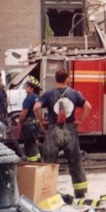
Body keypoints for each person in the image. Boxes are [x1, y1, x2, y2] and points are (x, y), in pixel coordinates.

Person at [33, 68, 90, 199]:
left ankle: (45, 192)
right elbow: (88, 106)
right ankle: (80, 192)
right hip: (70, 130)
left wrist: (41, 121)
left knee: (49, 163)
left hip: (53, 130)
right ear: (67, 79)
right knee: (75, 161)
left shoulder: (48, 94)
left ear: (56, 79)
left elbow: (36, 107)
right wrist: (79, 120)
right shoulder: (74, 94)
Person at [16, 76, 42, 162]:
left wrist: (19, 122)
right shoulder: (37, 98)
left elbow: (24, 112)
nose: (25, 89)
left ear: (31, 88)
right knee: (34, 143)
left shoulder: (28, 99)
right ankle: (38, 159)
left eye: (26, 87)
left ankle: (32, 163)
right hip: (35, 124)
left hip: (29, 126)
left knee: (29, 145)